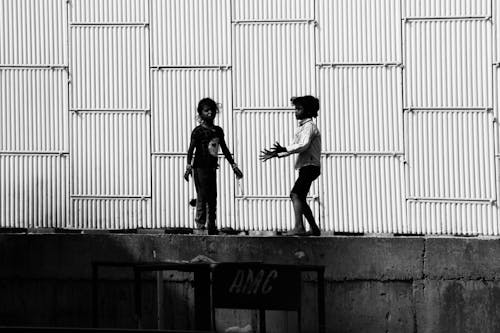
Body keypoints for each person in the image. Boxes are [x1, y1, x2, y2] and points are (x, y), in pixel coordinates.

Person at [259, 95, 321, 236]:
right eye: (295, 109)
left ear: (308, 111)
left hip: (310, 166)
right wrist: (278, 154)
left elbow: (302, 145)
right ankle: (314, 229)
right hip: (306, 166)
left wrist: (284, 149)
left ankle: (299, 227)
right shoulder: (302, 128)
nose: (296, 112)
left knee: (295, 194)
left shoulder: (309, 127)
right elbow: (294, 147)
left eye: (299, 109)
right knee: (300, 197)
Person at [185, 98, 243, 235]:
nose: (210, 113)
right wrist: (188, 167)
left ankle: (211, 226)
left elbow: (225, 149)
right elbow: (191, 150)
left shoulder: (217, 131)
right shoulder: (198, 131)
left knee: (212, 197)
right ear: (200, 113)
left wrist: (233, 165)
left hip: (211, 168)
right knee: (202, 196)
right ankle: (200, 226)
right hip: (199, 168)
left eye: (212, 110)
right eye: (206, 110)